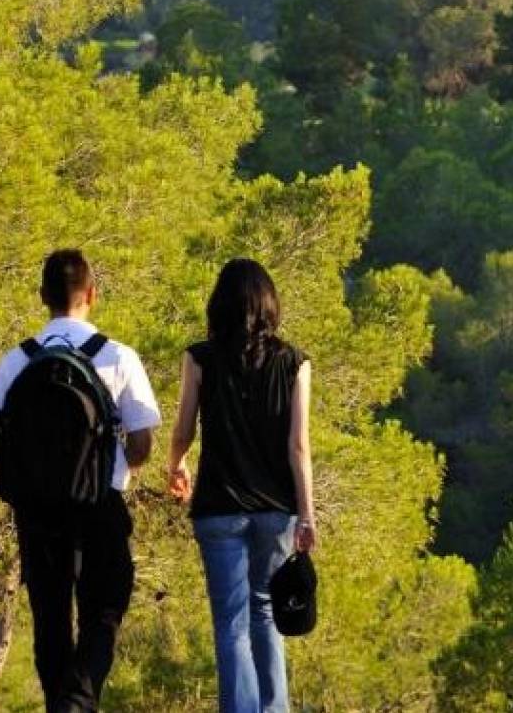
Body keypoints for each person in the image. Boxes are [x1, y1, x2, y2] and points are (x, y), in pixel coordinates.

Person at [0, 249, 160, 713]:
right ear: (92, 295)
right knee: (105, 605)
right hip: (100, 502)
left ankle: (62, 701)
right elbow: (142, 445)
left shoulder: (16, 361)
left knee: (50, 615)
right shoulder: (118, 357)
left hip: (36, 510)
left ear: (42, 297)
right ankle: (78, 700)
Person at [167, 258, 316, 713]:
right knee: (266, 613)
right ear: (271, 305)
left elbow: (184, 428)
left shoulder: (199, 358)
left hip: (218, 506)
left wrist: (176, 464)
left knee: (231, 623)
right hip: (276, 509)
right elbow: (298, 447)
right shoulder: (295, 362)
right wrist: (307, 513)